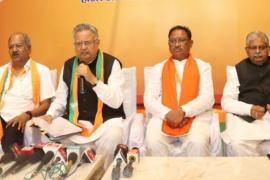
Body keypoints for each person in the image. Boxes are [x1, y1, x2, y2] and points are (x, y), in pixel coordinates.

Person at [35, 23, 125, 168]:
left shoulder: (112, 63)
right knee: (44, 130)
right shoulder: (69, 65)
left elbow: (116, 101)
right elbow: (60, 99)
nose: (83, 47)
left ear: (97, 43)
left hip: (105, 124)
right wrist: (50, 115)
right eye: (78, 44)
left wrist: (94, 80)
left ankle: (102, 173)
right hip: (76, 125)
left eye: (87, 43)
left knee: (114, 136)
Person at [144, 25, 214, 156]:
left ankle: (196, 176)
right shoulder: (158, 68)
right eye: (172, 41)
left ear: (190, 43)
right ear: (168, 44)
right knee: (153, 141)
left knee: (197, 142)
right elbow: (149, 99)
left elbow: (208, 97)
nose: (176, 44)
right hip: (164, 116)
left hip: (195, 116)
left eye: (181, 40)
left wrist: (183, 111)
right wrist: (167, 113)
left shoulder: (203, 66)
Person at [0, 32, 54, 153]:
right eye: (11, 47)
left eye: (18, 46)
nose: (14, 50)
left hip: (19, 119)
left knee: (9, 149)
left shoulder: (41, 71)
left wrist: (27, 115)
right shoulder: (2, 71)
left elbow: (46, 104)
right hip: (1, 117)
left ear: (28, 49)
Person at [221, 31, 270, 156]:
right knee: (238, 145)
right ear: (247, 50)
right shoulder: (236, 70)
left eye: (262, 47)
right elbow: (226, 102)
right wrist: (249, 109)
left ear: (268, 49)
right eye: (253, 48)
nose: (258, 51)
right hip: (249, 122)